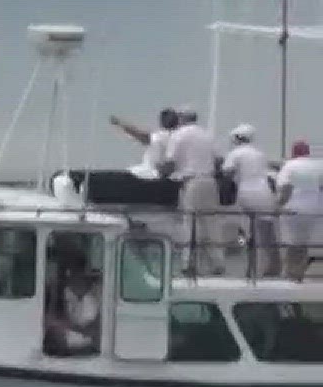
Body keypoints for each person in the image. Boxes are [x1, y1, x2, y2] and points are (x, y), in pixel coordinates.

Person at [164, 106, 221, 276]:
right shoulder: (207, 135)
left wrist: (162, 173)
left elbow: (170, 162)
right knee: (211, 225)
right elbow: (218, 159)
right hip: (210, 181)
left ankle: (188, 263)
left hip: (192, 182)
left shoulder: (178, 135)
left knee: (190, 224)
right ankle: (218, 263)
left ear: (181, 118)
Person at [223, 124, 278, 276]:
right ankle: (270, 268)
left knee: (248, 233)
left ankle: (252, 269)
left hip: (246, 192)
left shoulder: (236, 153)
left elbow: (227, 172)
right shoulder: (259, 153)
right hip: (265, 193)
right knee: (266, 234)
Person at [277, 140, 323, 280]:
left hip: (293, 209)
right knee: (303, 243)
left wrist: (277, 205)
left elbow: (286, 188)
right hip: (314, 210)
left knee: (292, 243)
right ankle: (299, 273)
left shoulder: (289, 166)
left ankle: (289, 273)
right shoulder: (317, 166)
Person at [110, 108, 177, 180]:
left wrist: (119, 123)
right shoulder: (180, 137)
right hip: (172, 176)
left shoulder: (159, 136)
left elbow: (136, 133)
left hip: (150, 174)